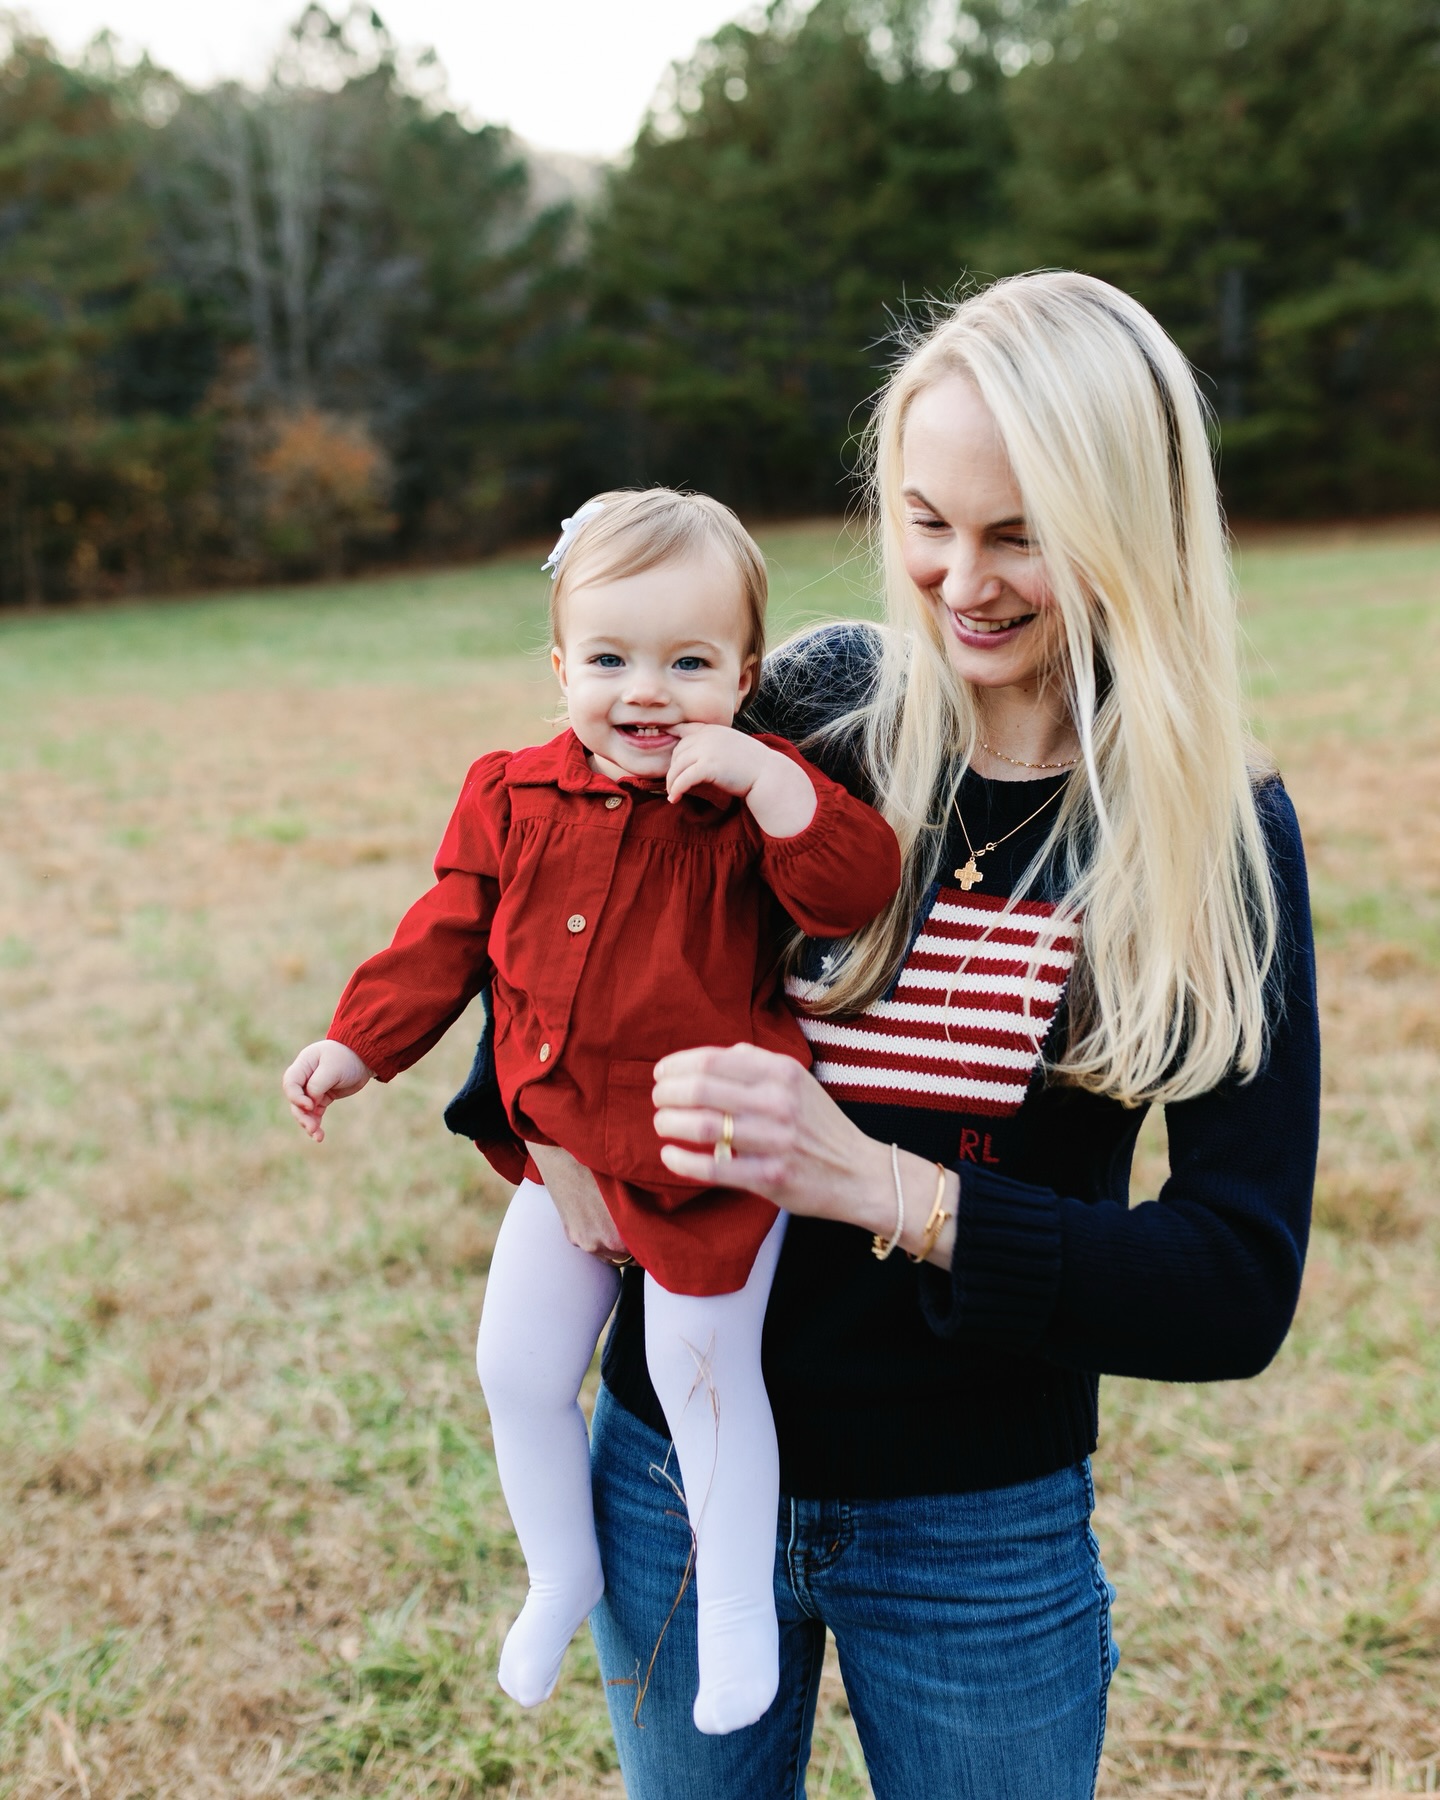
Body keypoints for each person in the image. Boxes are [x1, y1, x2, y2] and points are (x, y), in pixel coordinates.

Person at [519, 273, 1321, 1799]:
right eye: (925, 519)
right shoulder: (811, 707)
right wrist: (543, 1131)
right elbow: (558, 906)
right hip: (671, 1475)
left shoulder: (1212, 831)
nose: (964, 579)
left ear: (1130, 525)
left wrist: (891, 1190)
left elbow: (1235, 1281)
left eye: (1022, 533)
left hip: (982, 1526)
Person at [279, 489, 901, 1737]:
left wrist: (771, 784)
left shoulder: (747, 801)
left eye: (689, 662)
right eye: (609, 659)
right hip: (560, 1157)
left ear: (744, 672)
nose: (646, 692)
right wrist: (359, 1043)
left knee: (700, 1376)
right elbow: (443, 937)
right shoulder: (510, 794)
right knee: (516, 1367)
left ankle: (734, 1621)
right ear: (560, 665)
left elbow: (852, 888)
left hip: (708, 1156)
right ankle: (559, 1573)